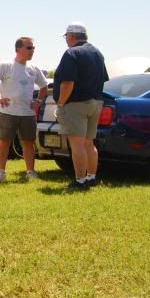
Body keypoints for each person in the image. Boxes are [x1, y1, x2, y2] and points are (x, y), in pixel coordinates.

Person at [54, 23, 108, 190]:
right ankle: (91, 177)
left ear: (71, 36)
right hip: (95, 102)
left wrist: (61, 103)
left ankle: (80, 180)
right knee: (89, 143)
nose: (66, 40)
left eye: (66, 37)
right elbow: (103, 80)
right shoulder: (97, 53)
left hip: (75, 104)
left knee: (76, 144)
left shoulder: (72, 53)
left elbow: (67, 83)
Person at [0, 37, 48, 182]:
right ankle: (1, 172)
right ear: (18, 49)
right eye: (29, 48)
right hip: (8, 111)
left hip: (27, 113)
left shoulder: (34, 68)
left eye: (33, 48)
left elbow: (44, 86)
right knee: (4, 141)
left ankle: (30, 172)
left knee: (28, 142)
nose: (32, 51)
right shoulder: (5, 65)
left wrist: (38, 100)